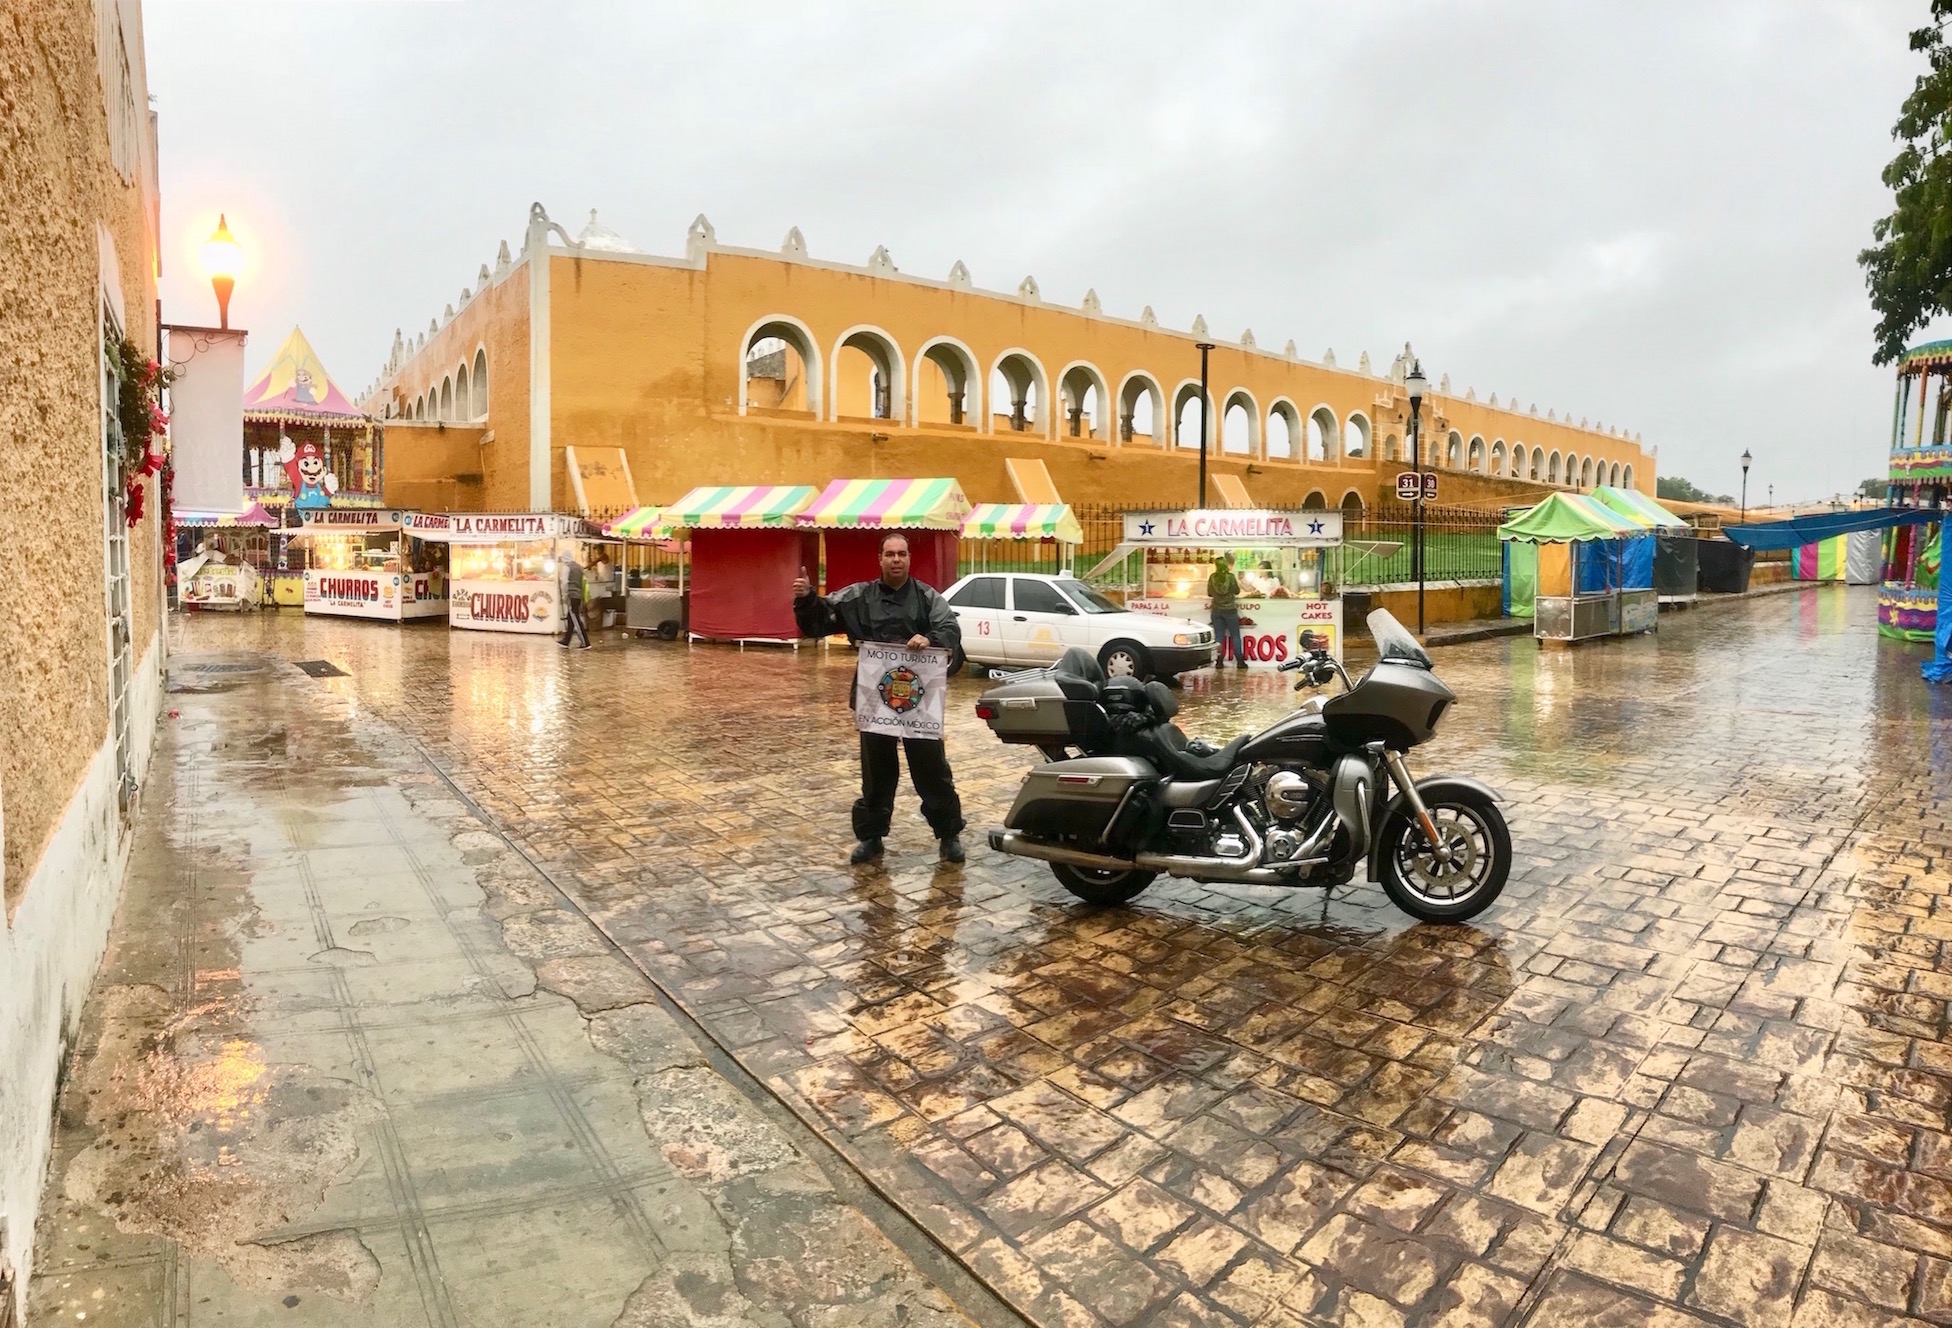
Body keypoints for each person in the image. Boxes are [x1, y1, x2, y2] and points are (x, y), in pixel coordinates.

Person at [794, 532, 966, 865]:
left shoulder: (929, 598)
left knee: (932, 768)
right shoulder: (860, 596)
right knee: (876, 771)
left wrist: (929, 638)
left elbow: (950, 631)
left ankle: (948, 834)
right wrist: (805, 599)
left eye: (902, 554)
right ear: (880, 559)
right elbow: (822, 617)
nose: (896, 559)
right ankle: (871, 837)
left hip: (921, 703)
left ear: (909, 559)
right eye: (890, 554)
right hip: (874, 701)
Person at [1208, 553, 1246, 668]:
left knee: (1219, 637)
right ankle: (1240, 661)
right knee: (1235, 636)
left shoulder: (1212, 577)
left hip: (1216, 610)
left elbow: (1209, 593)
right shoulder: (1230, 577)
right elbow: (1237, 591)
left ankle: (1219, 661)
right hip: (1230, 610)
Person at [558, 546, 590, 649]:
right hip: (578, 594)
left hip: (571, 595)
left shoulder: (567, 567)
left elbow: (565, 582)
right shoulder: (579, 567)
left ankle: (585, 642)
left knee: (575, 618)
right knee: (571, 618)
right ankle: (566, 641)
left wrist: (564, 595)